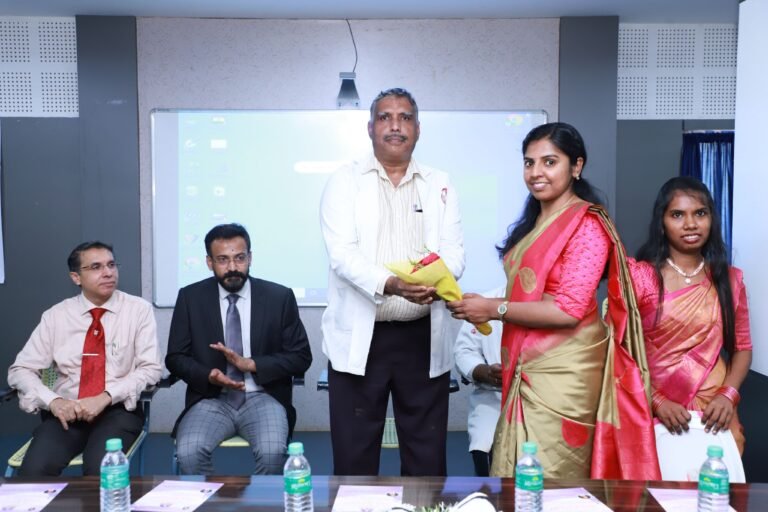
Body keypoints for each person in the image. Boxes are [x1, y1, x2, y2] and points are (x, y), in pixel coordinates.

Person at [447, 122, 659, 480]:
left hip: (565, 373)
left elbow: (568, 309)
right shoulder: (532, 223)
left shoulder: (587, 224)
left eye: (549, 162)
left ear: (576, 166)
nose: (536, 172)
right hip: (525, 366)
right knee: (521, 473)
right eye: (529, 163)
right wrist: (483, 305)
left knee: (555, 472)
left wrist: (493, 309)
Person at [319, 87, 464, 476]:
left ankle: (421, 505)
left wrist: (436, 280)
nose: (395, 126)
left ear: (418, 128)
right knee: (354, 457)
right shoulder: (344, 181)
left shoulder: (439, 182)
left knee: (426, 456)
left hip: (422, 334)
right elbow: (342, 255)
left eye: (405, 118)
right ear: (370, 128)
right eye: (385, 117)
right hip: (362, 337)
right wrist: (393, 284)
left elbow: (454, 252)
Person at [165, 223, 312, 475]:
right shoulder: (191, 298)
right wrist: (208, 375)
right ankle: (209, 498)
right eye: (223, 259)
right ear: (209, 262)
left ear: (250, 258)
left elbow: (301, 357)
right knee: (188, 453)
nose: (233, 267)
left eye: (240, 258)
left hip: (263, 397)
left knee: (273, 453)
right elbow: (175, 357)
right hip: (211, 398)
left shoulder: (278, 297)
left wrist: (252, 364)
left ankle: (261, 499)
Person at [7, 241, 162, 476]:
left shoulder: (138, 310)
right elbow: (20, 370)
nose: (108, 272)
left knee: (101, 469)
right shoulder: (56, 316)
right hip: (66, 412)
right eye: (96, 267)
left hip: (117, 411)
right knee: (34, 470)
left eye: (111, 265)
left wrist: (105, 397)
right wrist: (53, 401)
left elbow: (150, 369)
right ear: (76, 277)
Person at [629, 176, 752, 452]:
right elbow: (617, 352)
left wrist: (728, 395)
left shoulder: (729, 281)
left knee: (718, 467)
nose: (691, 224)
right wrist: (656, 401)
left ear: (711, 218)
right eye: (677, 215)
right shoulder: (640, 277)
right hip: (650, 403)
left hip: (714, 408)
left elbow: (742, 348)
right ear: (662, 222)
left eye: (700, 213)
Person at [453, 285, 505, 476]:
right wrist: (485, 372)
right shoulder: (483, 301)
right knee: (485, 447)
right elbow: (465, 351)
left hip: (542, 399)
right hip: (494, 397)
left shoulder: (554, 304)